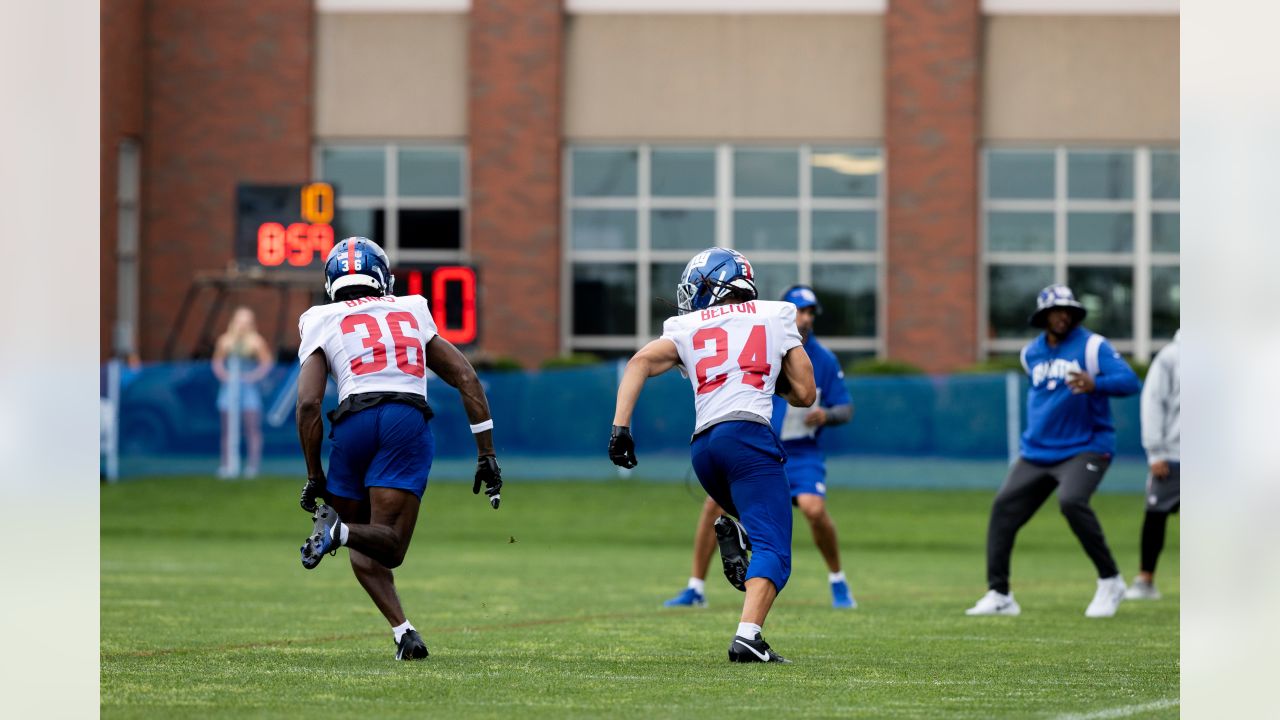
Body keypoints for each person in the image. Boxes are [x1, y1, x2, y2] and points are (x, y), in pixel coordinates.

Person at [294, 237, 505, 661]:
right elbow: (466, 378)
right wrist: (486, 454)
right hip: (403, 420)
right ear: (383, 277)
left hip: (351, 423)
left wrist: (315, 475)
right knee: (388, 544)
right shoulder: (411, 307)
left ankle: (403, 633)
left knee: (362, 542)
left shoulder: (318, 317)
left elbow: (309, 404)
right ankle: (339, 533)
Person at [609, 247, 816, 663]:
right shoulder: (776, 315)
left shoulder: (687, 325)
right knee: (775, 548)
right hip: (749, 437)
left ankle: (737, 532)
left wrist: (620, 429)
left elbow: (639, 363)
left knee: (758, 527)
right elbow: (806, 394)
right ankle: (748, 637)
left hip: (704, 448)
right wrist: (769, 377)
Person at [662, 284, 856, 610]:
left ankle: (838, 579)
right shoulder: (763, 340)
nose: (805, 318)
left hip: (801, 454)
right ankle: (695, 587)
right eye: (799, 311)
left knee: (813, 509)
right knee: (713, 507)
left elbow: (845, 407)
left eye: (810, 312)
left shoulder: (822, 358)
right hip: (755, 447)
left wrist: (827, 415)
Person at [966, 284, 1141, 618]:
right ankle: (1000, 594)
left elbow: (1130, 381)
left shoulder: (1092, 346)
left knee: (1072, 501)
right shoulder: (1031, 353)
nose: (1062, 316)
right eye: (1054, 311)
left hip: (1086, 447)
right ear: (1043, 317)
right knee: (1003, 510)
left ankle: (1111, 581)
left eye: (1067, 311)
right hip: (1037, 452)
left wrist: (1096, 383)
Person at [1126, 329, 1180, 600]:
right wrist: (1155, 451)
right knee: (1156, 515)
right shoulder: (1171, 357)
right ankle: (1145, 580)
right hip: (1173, 455)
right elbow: (1152, 402)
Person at [212, 307, 274, 478]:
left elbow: (266, 363)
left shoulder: (256, 341)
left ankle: (252, 466)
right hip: (229, 389)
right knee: (227, 429)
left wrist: (252, 376)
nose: (243, 325)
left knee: (251, 428)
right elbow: (217, 362)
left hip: (248, 390)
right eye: (240, 321)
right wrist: (225, 376)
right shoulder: (225, 340)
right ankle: (227, 465)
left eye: (247, 322)